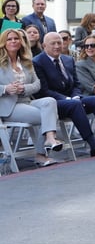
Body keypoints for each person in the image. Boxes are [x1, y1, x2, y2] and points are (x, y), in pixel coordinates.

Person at [33, 32, 95, 156]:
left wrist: (75, 95)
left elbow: (77, 84)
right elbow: (44, 90)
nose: (57, 46)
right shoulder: (37, 62)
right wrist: (68, 99)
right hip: (52, 103)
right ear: (44, 46)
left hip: (73, 99)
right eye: (53, 43)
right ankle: (94, 145)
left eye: (59, 43)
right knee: (75, 104)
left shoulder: (67, 59)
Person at [0, 28, 64, 167]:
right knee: (47, 116)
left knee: (50, 102)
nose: (13, 41)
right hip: (8, 106)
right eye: (9, 39)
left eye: (16, 38)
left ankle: (49, 139)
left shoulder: (26, 62)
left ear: (21, 42)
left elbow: (37, 84)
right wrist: (6, 88)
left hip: (26, 101)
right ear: (3, 42)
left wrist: (24, 88)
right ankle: (43, 152)